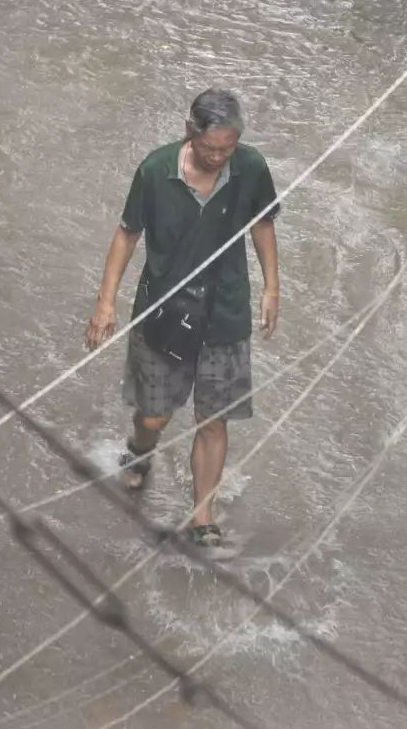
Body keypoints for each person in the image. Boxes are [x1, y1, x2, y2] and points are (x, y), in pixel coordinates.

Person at [85, 87, 280, 557]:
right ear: (189, 132)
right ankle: (139, 445)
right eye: (211, 147)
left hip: (225, 312)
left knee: (213, 420)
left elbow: (263, 224)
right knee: (154, 414)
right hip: (165, 310)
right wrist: (105, 303)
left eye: (227, 148)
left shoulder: (250, 167)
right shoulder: (155, 171)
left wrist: (273, 287)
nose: (219, 157)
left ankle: (202, 516)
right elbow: (127, 235)